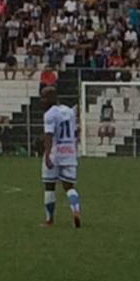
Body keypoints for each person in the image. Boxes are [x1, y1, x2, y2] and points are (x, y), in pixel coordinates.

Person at [40, 86, 81, 228]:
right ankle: (76, 210)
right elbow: (75, 131)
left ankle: (49, 220)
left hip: (55, 152)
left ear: (52, 98)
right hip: (69, 152)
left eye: (44, 97)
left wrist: (47, 155)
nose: (42, 100)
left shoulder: (49, 114)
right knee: (69, 186)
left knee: (49, 186)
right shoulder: (69, 111)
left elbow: (49, 135)